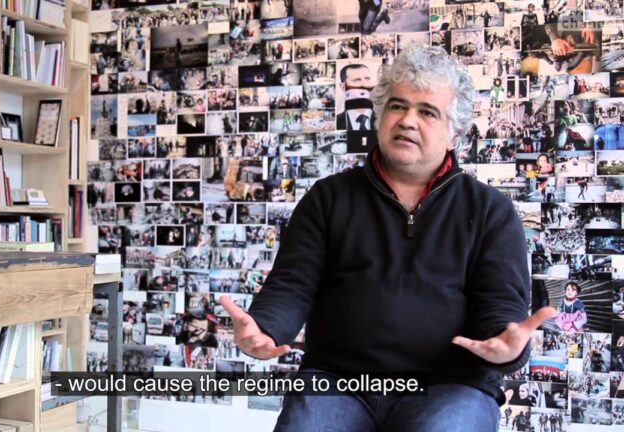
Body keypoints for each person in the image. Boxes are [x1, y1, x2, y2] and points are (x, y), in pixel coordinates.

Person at [220, 44, 555, 430]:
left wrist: (505, 346)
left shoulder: (490, 210)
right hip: (339, 380)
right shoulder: (328, 198)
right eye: (398, 106)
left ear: (454, 133)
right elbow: (292, 284)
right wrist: (264, 326)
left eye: (427, 112)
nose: (408, 121)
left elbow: (501, 305)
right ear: (380, 115)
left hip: (451, 385)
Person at [336, 64, 376, 131]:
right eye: (357, 80)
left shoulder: (385, 120)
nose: (365, 84)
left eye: (367, 79)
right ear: (343, 87)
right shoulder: (336, 123)